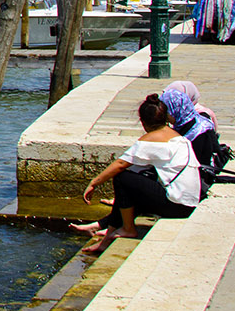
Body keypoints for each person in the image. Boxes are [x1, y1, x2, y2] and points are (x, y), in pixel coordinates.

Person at [72, 93, 201, 255]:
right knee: (131, 185)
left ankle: (127, 228)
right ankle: (106, 239)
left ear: (143, 122)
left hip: (177, 205)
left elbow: (120, 164)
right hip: (188, 204)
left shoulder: (150, 139)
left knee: (122, 178)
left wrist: (94, 183)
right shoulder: (177, 137)